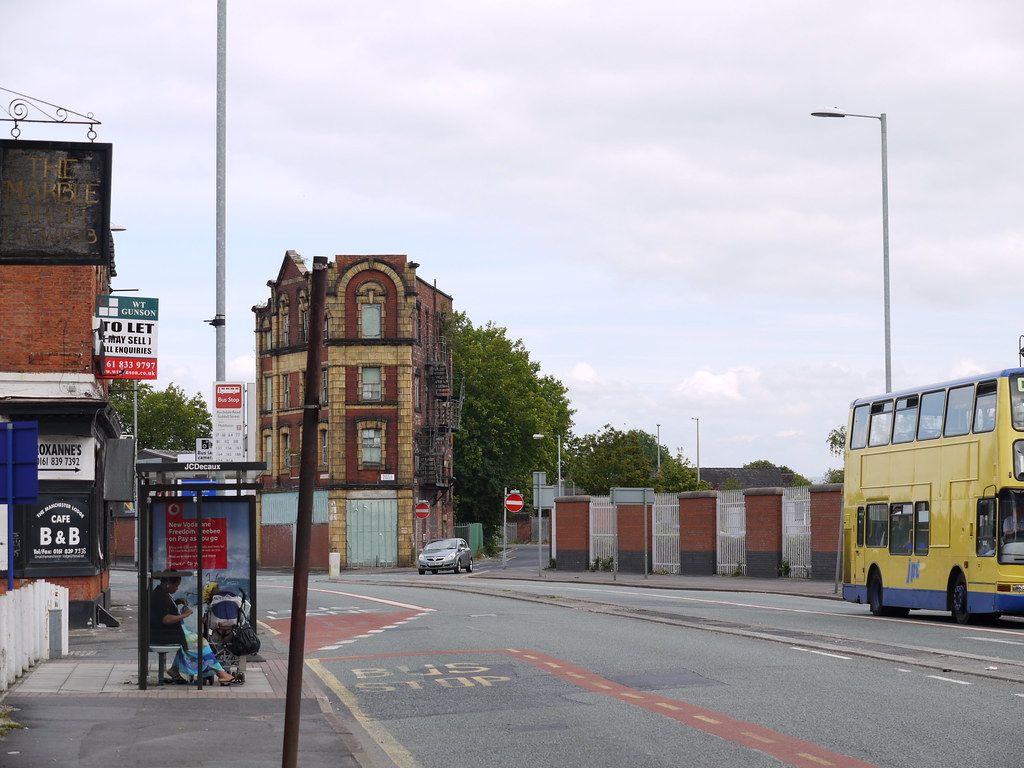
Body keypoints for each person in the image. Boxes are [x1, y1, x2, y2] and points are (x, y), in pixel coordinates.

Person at [150, 571, 242, 685]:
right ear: (168, 583)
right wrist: (185, 614)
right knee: (201, 643)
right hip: (167, 634)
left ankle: (175, 669)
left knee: (192, 644)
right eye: (175, 586)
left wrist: (177, 602)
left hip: (171, 632)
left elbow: (164, 609)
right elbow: (165, 619)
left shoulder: (161, 594)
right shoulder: (160, 597)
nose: (177, 589)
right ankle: (221, 673)